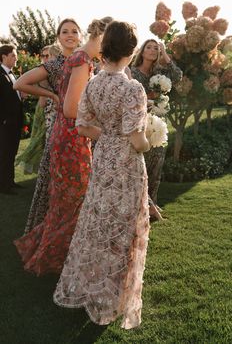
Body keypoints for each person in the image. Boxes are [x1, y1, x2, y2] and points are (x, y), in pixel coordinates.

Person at [54, 21, 150, 330]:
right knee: (122, 230)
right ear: (131, 51)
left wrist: (107, 137)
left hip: (102, 160)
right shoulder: (133, 88)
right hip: (125, 167)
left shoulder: (93, 83)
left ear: (105, 47)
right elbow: (136, 139)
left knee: (97, 224)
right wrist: (150, 140)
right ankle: (111, 299)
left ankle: (90, 288)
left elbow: (82, 126)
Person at [14, 17, 111, 275]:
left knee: (69, 200)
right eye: (108, 43)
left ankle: (60, 253)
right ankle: (53, 258)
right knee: (72, 201)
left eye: (73, 31)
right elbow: (70, 109)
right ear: (100, 37)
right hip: (71, 137)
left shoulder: (81, 59)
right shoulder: (80, 61)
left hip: (71, 135)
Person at [13, 19, 81, 234]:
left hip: (85, 128)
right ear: (58, 37)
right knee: (56, 181)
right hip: (63, 128)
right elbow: (19, 83)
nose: (69, 35)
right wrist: (51, 94)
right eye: (64, 31)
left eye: (74, 31)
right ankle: (52, 231)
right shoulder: (53, 65)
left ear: (80, 36)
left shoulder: (88, 63)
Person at [131, 39, 182, 220]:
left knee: (157, 165)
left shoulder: (160, 72)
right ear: (142, 51)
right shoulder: (133, 72)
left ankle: (152, 202)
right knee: (142, 165)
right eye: (149, 47)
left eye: (155, 48)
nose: (152, 50)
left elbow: (177, 76)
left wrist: (165, 54)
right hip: (140, 124)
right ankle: (143, 206)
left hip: (158, 124)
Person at [15, 45, 51, 174]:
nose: (46, 58)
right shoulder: (40, 71)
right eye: (43, 56)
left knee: (45, 143)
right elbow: (23, 84)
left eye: (48, 55)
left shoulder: (57, 70)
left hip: (53, 112)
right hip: (41, 110)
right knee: (37, 141)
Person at [0, 44, 24, 195]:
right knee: (4, 153)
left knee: (12, 152)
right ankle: (3, 186)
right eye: (13, 55)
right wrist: (3, 120)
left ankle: (10, 181)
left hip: (15, 122)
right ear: (4, 57)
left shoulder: (12, 74)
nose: (16, 58)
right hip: (6, 123)